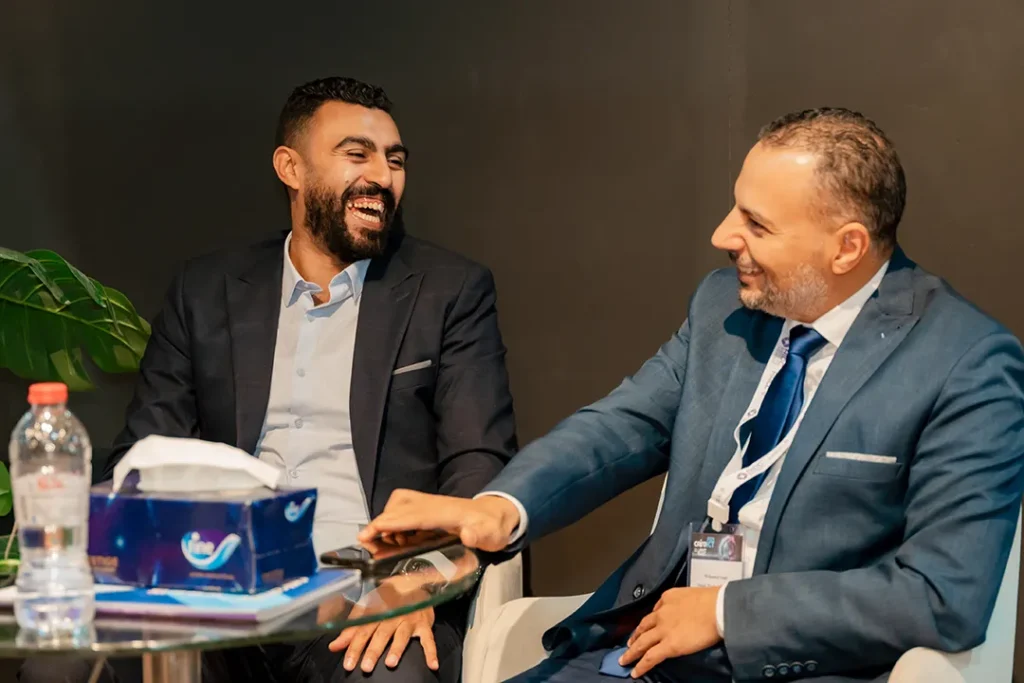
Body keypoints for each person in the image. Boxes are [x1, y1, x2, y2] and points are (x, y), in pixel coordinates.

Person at [361, 108, 1024, 682]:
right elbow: (621, 426)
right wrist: (500, 508)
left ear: (846, 247)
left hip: (798, 664)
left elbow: (943, 594)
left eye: (756, 224)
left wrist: (728, 613)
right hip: (650, 647)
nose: (723, 235)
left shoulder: (965, 362)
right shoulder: (723, 307)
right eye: (736, 207)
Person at [20, 76, 516, 683]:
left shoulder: (449, 291)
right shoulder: (206, 291)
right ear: (291, 168)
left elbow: (479, 468)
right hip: (214, 589)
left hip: (364, 595)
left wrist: (416, 580)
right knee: (61, 668)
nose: (382, 177)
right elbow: (144, 454)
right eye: (356, 154)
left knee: (391, 673)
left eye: (394, 160)